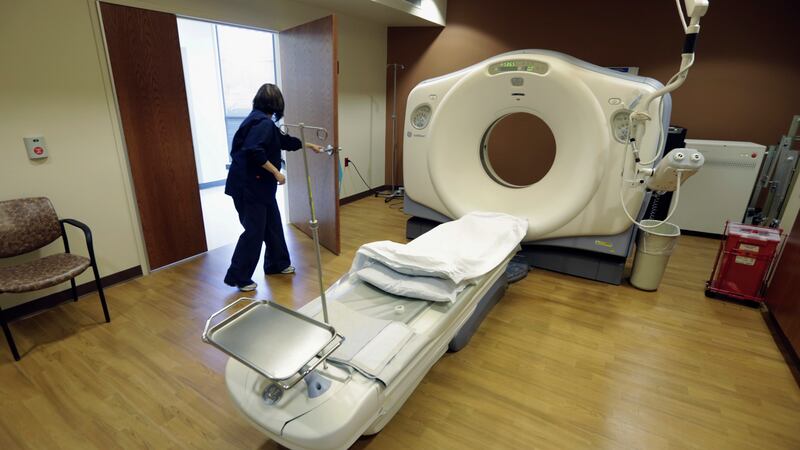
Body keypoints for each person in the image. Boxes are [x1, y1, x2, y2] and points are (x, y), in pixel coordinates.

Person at [223, 83, 323, 291]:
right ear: (277, 105)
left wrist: (308, 145)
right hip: (249, 187)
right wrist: (276, 172)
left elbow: (283, 141)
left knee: (273, 225)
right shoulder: (262, 123)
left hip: (259, 187)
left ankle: (277, 264)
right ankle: (239, 277)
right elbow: (254, 151)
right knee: (254, 231)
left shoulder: (260, 120)